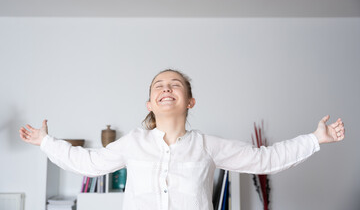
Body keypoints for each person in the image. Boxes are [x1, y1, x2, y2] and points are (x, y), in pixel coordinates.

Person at [19, 69, 345, 210]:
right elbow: (87, 163)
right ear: (149, 103)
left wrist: (316, 138)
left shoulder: (207, 146)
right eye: (158, 85)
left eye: (175, 85)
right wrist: (46, 141)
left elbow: (265, 159)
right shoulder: (134, 142)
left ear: (190, 101)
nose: (165, 88)